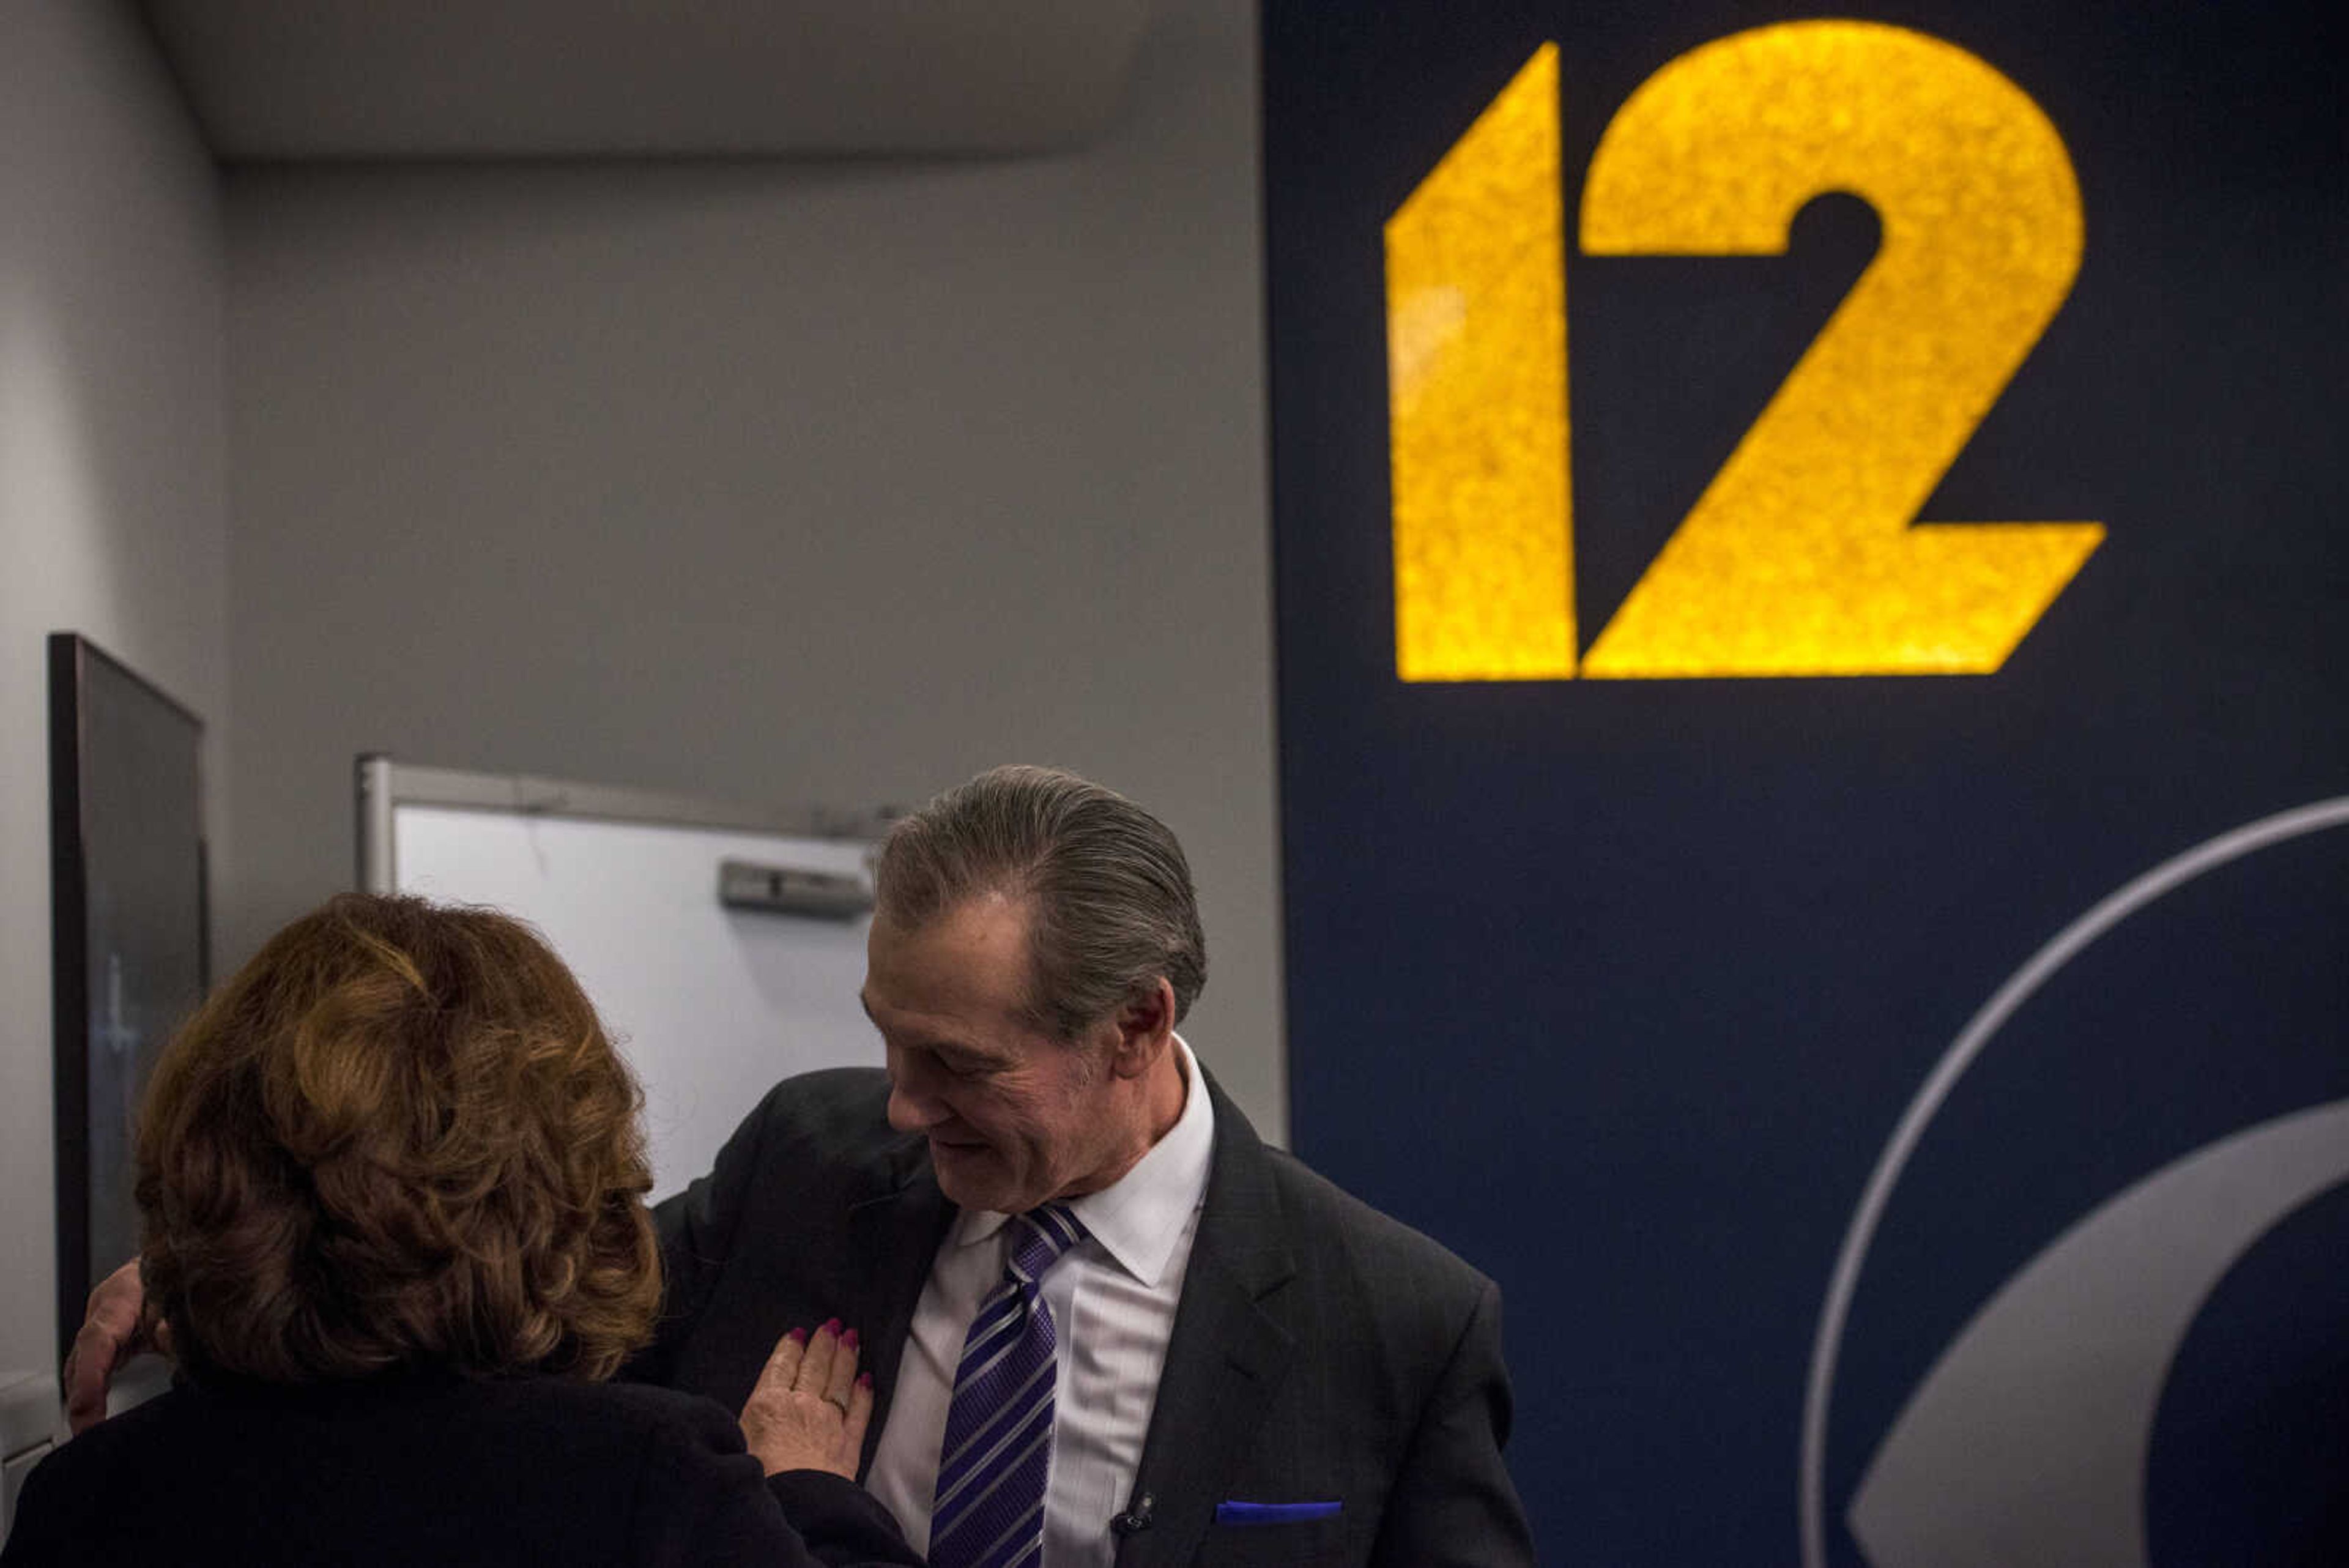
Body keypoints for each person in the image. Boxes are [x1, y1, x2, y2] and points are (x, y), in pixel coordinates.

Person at [68, 768, 1535, 1567]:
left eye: (957, 1065)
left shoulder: (1394, 1320)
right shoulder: (803, 1159)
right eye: (887, 1041)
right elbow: (491, 1300)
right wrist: (228, 1282)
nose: (898, 1107)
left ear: (1138, 1022)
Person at [13, 895, 921, 1568]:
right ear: (558, 1166)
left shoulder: (87, 1495)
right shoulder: (648, 1476)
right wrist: (811, 1496)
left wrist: (202, 1275)